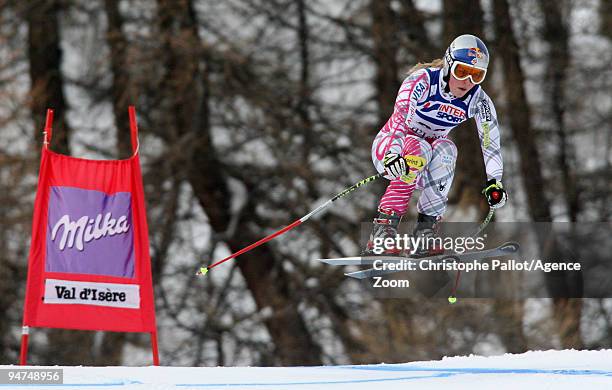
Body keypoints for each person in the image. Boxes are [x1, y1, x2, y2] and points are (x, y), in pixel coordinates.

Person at [364, 34, 507, 256]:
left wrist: (494, 181)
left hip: (428, 161)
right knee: (418, 146)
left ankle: (425, 232)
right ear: (449, 65)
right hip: (392, 149)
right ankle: (383, 230)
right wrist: (393, 153)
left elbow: (490, 140)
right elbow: (400, 116)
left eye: (476, 76)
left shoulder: (479, 100)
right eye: (462, 72)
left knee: (446, 149)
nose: (467, 82)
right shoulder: (422, 81)